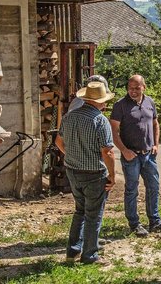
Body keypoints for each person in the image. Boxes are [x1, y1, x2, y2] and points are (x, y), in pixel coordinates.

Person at [55, 81, 116, 265]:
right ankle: (90, 255)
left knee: (79, 211)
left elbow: (58, 141)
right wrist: (112, 176)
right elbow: (107, 152)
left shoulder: (69, 117)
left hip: (73, 171)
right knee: (93, 215)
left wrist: (72, 155)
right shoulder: (100, 120)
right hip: (94, 173)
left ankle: (72, 252)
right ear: (101, 101)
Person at [110, 74, 161, 237]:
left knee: (154, 187)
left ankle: (155, 221)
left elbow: (155, 123)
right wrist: (124, 150)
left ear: (143, 87)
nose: (133, 91)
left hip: (149, 155)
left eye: (137, 88)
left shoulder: (149, 102)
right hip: (131, 156)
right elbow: (114, 132)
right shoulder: (120, 105)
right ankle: (134, 223)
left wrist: (156, 144)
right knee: (132, 189)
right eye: (130, 88)